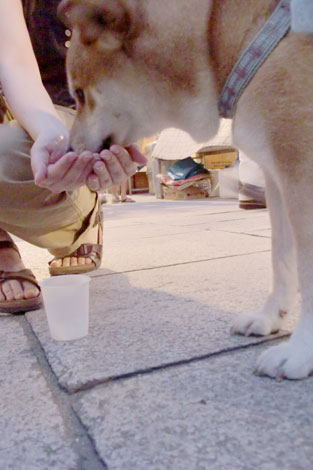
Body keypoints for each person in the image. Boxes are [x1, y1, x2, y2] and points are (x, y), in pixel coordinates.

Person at [0, 0, 146, 313]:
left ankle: (83, 222)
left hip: (57, 112)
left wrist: (52, 135)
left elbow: (13, 62)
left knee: (11, 154)